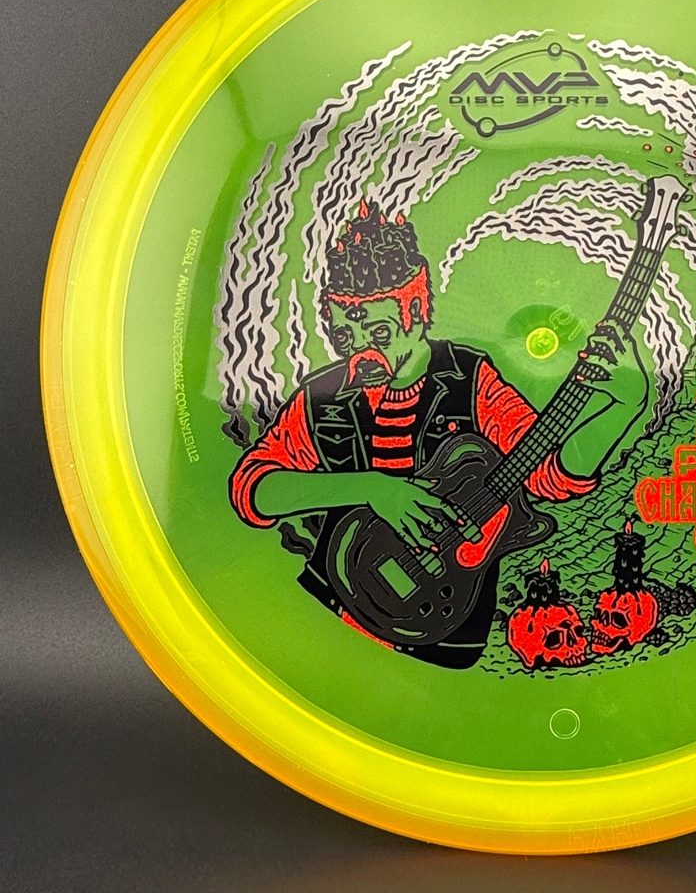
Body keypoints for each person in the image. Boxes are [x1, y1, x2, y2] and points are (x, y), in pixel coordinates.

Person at [228, 202, 648, 667]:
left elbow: (545, 473)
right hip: (330, 616)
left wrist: (622, 409)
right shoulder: (319, 398)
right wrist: (371, 489)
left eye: (378, 332)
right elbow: (254, 489)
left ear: (414, 308)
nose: (361, 351)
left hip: (444, 637)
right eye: (345, 336)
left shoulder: (473, 380)